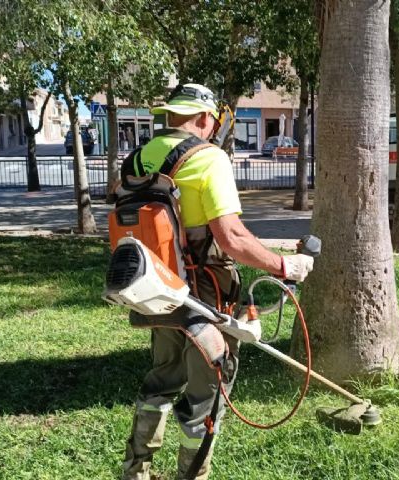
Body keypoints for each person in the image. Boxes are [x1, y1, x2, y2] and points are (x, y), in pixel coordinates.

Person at [122, 83, 314, 480]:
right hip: (205, 294)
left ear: (171, 116)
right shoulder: (209, 158)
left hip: (156, 289)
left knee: (161, 381)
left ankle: (135, 471)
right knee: (206, 393)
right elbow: (232, 238)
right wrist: (284, 266)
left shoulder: (138, 158)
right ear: (206, 119)